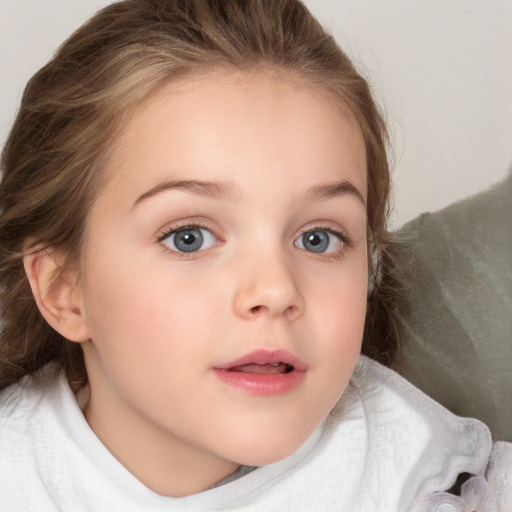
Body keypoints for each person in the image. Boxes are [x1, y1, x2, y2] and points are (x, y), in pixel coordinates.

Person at [0, 0, 507, 510]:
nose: (275, 289)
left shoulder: (428, 478)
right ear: (63, 289)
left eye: (318, 238)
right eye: (189, 237)